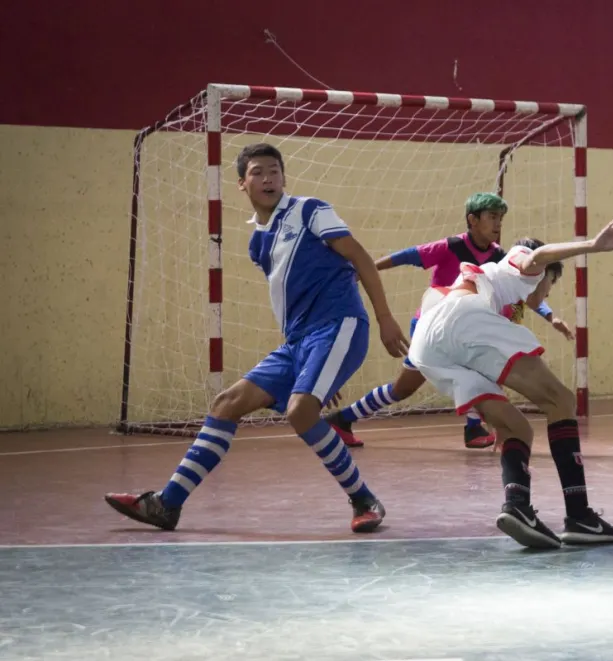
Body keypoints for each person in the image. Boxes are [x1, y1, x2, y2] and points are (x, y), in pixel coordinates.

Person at [104, 143, 409, 533]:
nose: (268, 178)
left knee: (301, 412)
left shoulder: (310, 211)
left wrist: (384, 317)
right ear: (241, 184)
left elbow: (360, 257)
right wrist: (310, 371)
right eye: (258, 172)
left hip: (339, 325)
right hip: (299, 341)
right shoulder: (257, 243)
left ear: (284, 178)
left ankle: (364, 499)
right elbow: (288, 296)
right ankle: (167, 504)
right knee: (226, 403)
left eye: (275, 171)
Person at [407, 219, 613, 549]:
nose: (546, 292)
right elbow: (537, 255)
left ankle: (517, 507)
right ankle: (580, 516)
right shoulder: (519, 263)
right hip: (461, 322)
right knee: (561, 401)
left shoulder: (504, 296)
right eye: (550, 284)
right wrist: (592, 246)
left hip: (429, 347)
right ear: (546, 275)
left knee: (516, 428)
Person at [324, 192, 573, 449]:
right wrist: (367, 270)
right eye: (492, 217)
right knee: (403, 388)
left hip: (467, 333)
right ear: (472, 220)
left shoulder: (501, 256)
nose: (498, 224)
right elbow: (406, 256)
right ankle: (342, 418)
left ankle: (475, 428)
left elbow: (527, 291)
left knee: (482, 370)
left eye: (501, 218)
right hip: (433, 327)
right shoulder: (450, 246)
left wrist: (550, 316)